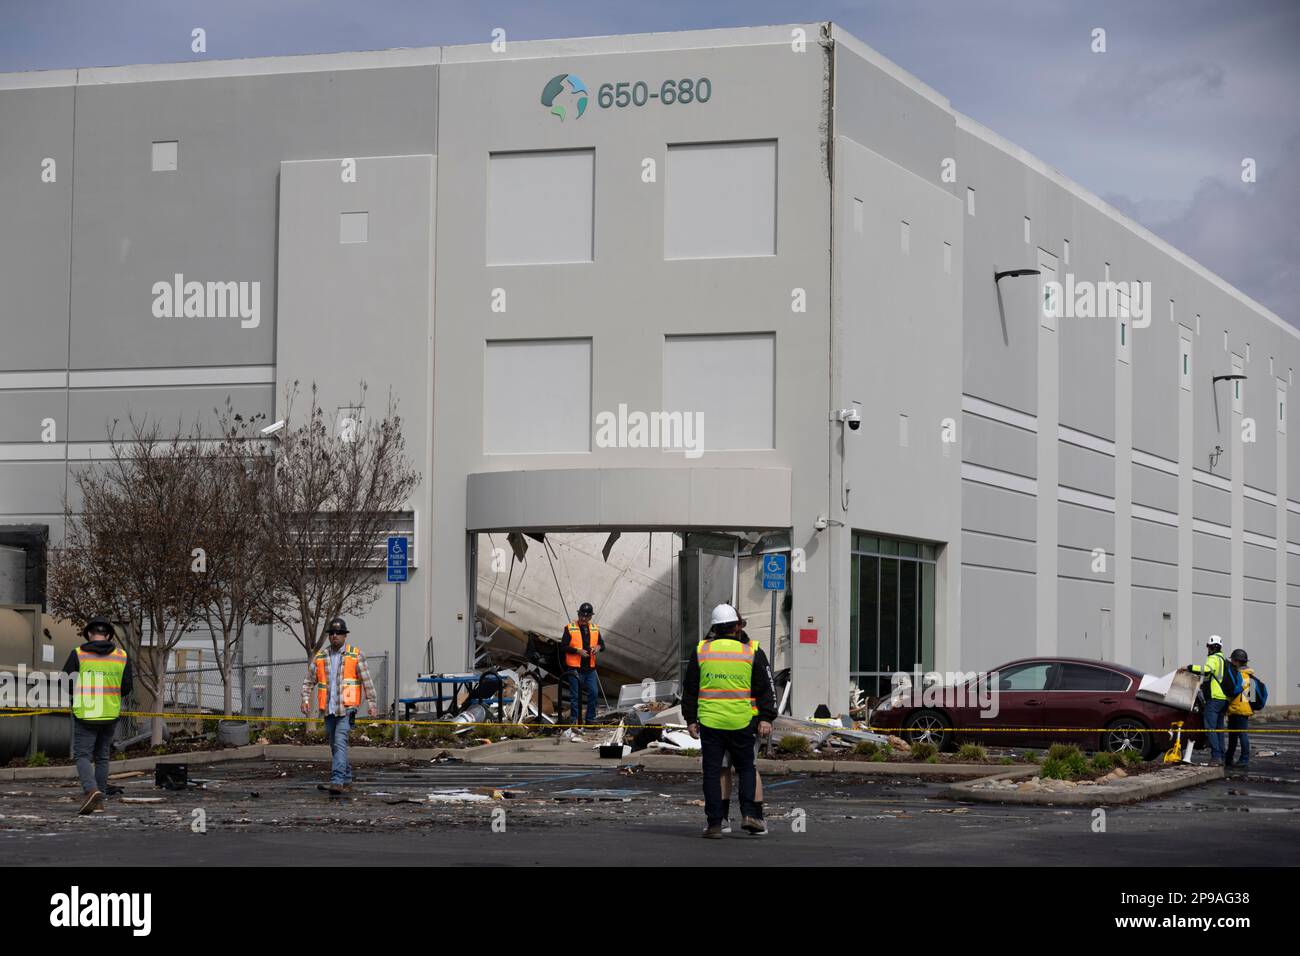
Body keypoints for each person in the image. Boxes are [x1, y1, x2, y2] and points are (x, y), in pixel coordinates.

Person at [684, 603, 777, 839]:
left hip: (711, 722)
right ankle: (750, 816)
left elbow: (690, 688)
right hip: (742, 721)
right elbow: (767, 688)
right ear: (736, 626)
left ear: (714, 627)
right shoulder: (751, 650)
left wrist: (690, 719)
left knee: (713, 772)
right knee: (746, 768)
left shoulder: (702, 650)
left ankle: (715, 823)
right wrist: (766, 717)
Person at [62, 617, 132, 815]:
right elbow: (126, 687)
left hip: (86, 714)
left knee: (83, 755)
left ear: (90, 635)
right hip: (110, 714)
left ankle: (91, 790)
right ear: (109, 635)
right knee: (102, 757)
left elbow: (65, 682)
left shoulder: (78, 654)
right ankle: (99, 802)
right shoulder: (121, 656)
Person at [300, 618, 378, 795]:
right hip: (328, 710)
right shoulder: (321, 657)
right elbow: (308, 682)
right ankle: (347, 778)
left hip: (347, 709)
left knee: (340, 742)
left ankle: (337, 781)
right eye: (332, 633)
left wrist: (372, 704)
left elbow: (367, 682)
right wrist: (305, 699)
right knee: (335, 746)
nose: (334, 636)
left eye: (338, 633)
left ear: (345, 636)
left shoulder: (355, 655)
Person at [717, 613, 775, 833]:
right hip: (726, 720)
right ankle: (739, 817)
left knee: (740, 768)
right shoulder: (718, 650)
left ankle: (750, 817)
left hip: (743, 720)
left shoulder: (751, 650)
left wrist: (766, 717)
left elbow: (766, 687)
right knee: (735, 768)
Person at [1184, 635, 1229, 765]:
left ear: (1211, 647)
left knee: (1210, 728)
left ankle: (1216, 757)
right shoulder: (1223, 660)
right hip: (1223, 699)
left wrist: (1190, 667)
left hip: (1214, 699)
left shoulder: (1213, 658)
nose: (1207, 649)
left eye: (1208, 647)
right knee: (1219, 729)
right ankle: (1221, 756)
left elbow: (1207, 670)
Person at [560, 602, 604, 726]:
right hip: (575, 668)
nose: (583, 619)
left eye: (586, 616)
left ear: (590, 617)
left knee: (594, 693)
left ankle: (590, 719)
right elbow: (563, 646)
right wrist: (577, 651)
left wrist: (598, 647)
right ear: (579, 614)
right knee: (576, 696)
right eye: (581, 616)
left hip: (589, 668)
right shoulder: (570, 628)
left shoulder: (595, 628)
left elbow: (602, 644)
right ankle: (575, 720)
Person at [1224, 648, 1254, 773]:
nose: (1232, 663)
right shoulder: (1249, 675)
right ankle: (1231, 758)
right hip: (1242, 708)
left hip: (1237, 709)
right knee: (1238, 735)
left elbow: (1235, 691)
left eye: (1233, 661)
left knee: (1239, 735)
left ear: (1237, 661)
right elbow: (1248, 696)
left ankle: (1243, 759)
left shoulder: (1239, 675)